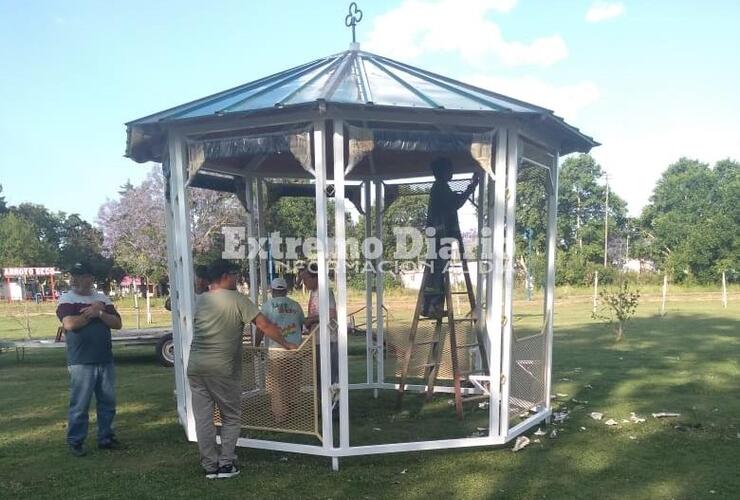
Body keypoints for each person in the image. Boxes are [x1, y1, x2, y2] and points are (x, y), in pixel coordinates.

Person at [187, 260, 297, 480]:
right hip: (222, 369)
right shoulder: (238, 300)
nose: (238, 279)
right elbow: (264, 326)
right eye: (236, 274)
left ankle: (210, 465)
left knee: (203, 419)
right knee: (231, 416)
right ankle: (226, 463)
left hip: (196, 367)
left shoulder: (201, 300)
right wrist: (286, 344)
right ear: (226, 275)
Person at [56, 261, 123, 457]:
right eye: (73, 275)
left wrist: (100, 312)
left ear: (90, 278)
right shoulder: (66, 299)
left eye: (81, 275)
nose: (75, 279)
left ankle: (106, 437)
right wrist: (91, 314)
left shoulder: (102, 299)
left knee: (107, 402)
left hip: (104, 358)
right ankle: (76, 441)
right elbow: (69, 324)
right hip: (81, 361)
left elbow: (117, 323)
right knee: (80, 403)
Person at [423, 157, 480, 317]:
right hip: (440, 233)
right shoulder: (440, 187)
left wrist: (470, 186)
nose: (452, 172)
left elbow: (453, 202)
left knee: (439, 268)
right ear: (442, 171)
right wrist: (471, 186)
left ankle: (433, 305)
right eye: (450, 169)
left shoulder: (441, 187)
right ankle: (432, 306)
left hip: (441, 232)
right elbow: (456, 203)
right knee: (438, 269)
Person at [256, 277, 305, 423]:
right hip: (295, 350)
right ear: (285, 290)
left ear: (272, 290)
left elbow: (261, 327)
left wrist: (257, 344)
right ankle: (292, 411)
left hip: (276, 351)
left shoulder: (267, 306)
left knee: (276, 384)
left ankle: (280, 415)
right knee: (293, 382)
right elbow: (301, 325)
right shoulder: (295, 305)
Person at [298, 263, 339, 412]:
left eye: (306, 279)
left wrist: (311, 320)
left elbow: (331, 315)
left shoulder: (325, 293)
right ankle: (323, 407)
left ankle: (334, 409)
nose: (304, 283)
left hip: (328, 340)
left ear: (315, 277)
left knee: (331, 377)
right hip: (317, 340)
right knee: (319, 377)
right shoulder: (314, 293)